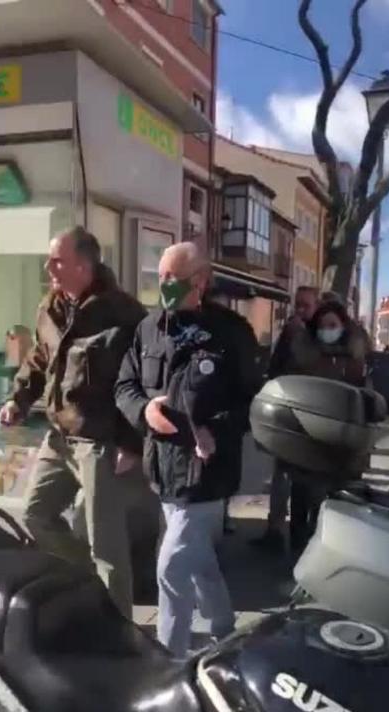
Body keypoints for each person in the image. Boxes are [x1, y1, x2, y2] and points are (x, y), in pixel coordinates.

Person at [115, 242, 262, 658]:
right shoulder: (148, 328)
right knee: (198, 559)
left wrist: (214, 430)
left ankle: (169, 661)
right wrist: (145, 411)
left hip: (207, 471)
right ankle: (226, 630)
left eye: (172, 278)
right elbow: (125, 386)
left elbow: (255, 401)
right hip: (162, 467)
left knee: (172, 567)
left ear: (200, 281)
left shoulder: (231, 332)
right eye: (160, 276)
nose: (164, 285)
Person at [0, 226, 149, 618]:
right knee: (36, 514)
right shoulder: (51, 307)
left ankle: (119, 628)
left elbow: (143, 383)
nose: (48, 267)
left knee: (107, 545)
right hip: (59, 435)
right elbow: (39, 360)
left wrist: (132, 443)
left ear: (83, 266)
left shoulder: (124, 315)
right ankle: (86, 583)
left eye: (57, 261)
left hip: (100, 442)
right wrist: (18, 399)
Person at [282, 298, 378, 552]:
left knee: (335, 499)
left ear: (343, 326)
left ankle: (329, 550)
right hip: (308, 437)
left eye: (333, 325)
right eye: (323, 325)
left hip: (344, 439)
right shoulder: (304, 356)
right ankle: (299, 551)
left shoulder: (356, 359)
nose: (328, 330)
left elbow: (368, 395)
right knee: (302, 496)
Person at [251, 285, 319, 553]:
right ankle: (275, 531)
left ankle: (305, 537)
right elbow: (275, 368)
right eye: (297, 304)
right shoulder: (290, 333)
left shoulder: (317, 334)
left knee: (306, 482)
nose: (300, 310)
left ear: (316, 307)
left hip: (313, 419)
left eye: (306, 305)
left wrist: (299, 338)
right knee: (280, 475)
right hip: (287, 413)